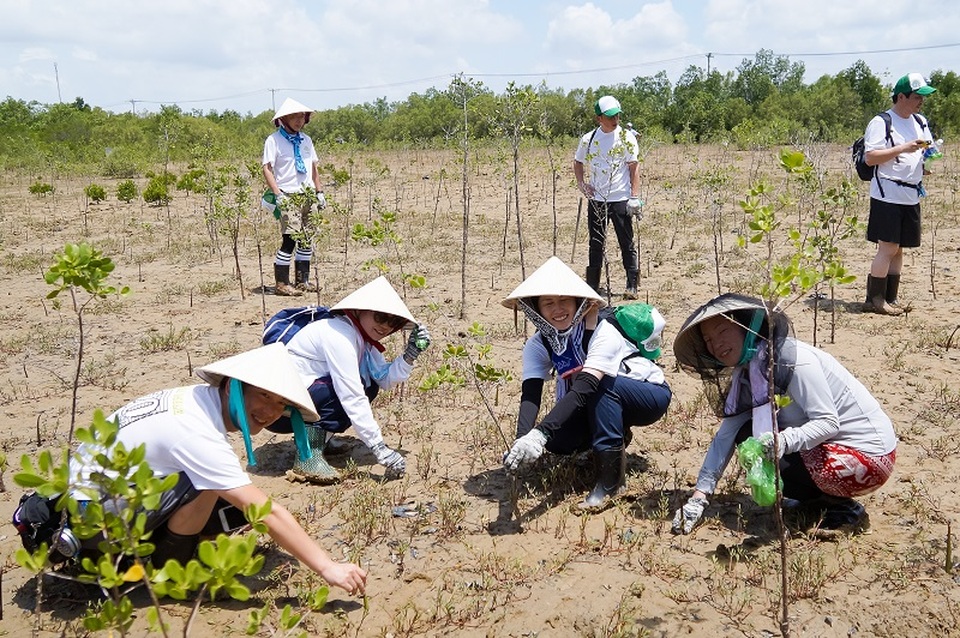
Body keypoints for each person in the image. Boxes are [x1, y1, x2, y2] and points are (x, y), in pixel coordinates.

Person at [67, 343, 367, 595]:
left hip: (93, 500)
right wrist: (329, 567)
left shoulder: (194, 399)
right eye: (263, 395)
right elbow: (266, 511)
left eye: (280, 403)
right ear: (230, 386)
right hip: (92, 520)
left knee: (228, 498)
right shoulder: (196, 431)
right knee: (213, 486)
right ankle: (171, 572)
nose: (271, 411)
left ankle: (161, 549)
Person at [670, 294, 897, 536]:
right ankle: (818, 501)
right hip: (829, 449)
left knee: (768, 450)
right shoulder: (746, 375)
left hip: (868, 457)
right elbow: (726, 435)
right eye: (708, 340)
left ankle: (843, 509)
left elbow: (828, 423)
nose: (717, 344)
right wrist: (699, 497)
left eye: (723, 331)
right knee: (746, 436)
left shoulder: (795, 361)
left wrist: (781, 443)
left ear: (745, 326)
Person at [501, 257, 672, 511]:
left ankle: (610, 484)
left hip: (647, 393)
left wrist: (539, 433)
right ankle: (616, 433)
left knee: (598, 385)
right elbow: (531, 394)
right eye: (548, 303)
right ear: (535, 309)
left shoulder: (603, 332)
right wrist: (522, 439)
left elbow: (584, 389)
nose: (557, 309)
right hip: (598, 396)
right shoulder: (538, 344)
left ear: (579, 302)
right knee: (557, 441)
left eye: (564, 301)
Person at [268, 276, 431, 484]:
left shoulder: (363, 340)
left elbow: (384, 380)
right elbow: (351, 395)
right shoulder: (339, 335)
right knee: (342, 391)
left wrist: (411, 353)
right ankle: (307, 457)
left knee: (368, 385)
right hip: (275, 408)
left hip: (296, 402)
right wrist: (379, 449)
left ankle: (320, 441)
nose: (385, 327)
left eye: (394, 323)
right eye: (380, 317)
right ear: (360, 310)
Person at [862, 73, 936, 315]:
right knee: (887, 247)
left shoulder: (920, 121)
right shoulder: (882, 122)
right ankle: (875, 300)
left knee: (900, 248)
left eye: (923, 97)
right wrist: (905, 147)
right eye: (916, 97)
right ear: (901, 96)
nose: (920, 102)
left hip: (910, 195)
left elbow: (924, 150)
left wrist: (923, 162)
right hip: (887, 195)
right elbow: (871, 157)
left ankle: (890, 298)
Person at [573, 95, 643, 299]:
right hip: (597, 200)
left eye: (617, 116)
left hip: (621, 199)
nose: (615, 120)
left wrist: (634, 196)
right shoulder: (589, 139)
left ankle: (631, 285)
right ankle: (592, 286)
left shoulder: (626, 137)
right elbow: (578, 162)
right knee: (596, 243)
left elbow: (633, 167)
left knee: (626, 242)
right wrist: (582, 184)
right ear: (599, 118)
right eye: (610, 116)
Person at [262, 97, 326, 297]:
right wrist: (278, 194)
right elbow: (267, 168)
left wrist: (319, 192)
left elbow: (313, 168)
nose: (299, 121)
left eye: (301, 116)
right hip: (288, 194)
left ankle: (302, 280)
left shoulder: (306, 140)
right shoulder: (274, 140)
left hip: (307, 194)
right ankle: (282, 283)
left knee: (307, 238)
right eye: (294, 117)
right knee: (290, 238)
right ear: (284, 119)